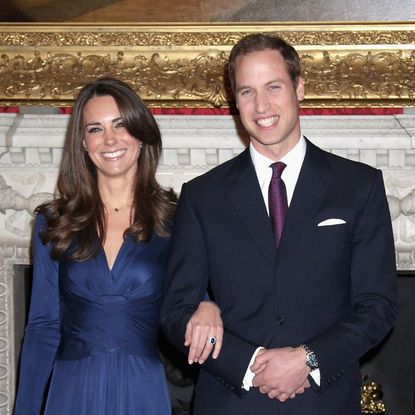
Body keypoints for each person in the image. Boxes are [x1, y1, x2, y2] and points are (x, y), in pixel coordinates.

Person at [161, 34, 399, 415]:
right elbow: (175, 311)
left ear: (299, 87)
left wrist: (307, 359)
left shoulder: (358, 186)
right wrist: (249, 366)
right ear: (234, 102)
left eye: (273, 87)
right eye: (247, 92)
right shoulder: (201, 196)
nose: (261, 106)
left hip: (326, 402)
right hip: (230, 401)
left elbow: (378, 305)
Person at [14, 78, 222, 415]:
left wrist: (208, 305)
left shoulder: (176, 219)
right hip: (71, 391)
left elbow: (193, 296)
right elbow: (43, 326)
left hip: (142, 388)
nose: (109, 139)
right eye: (95, 129)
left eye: (121, 125)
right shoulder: (53, 223)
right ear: (82, 142)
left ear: (140, 134)